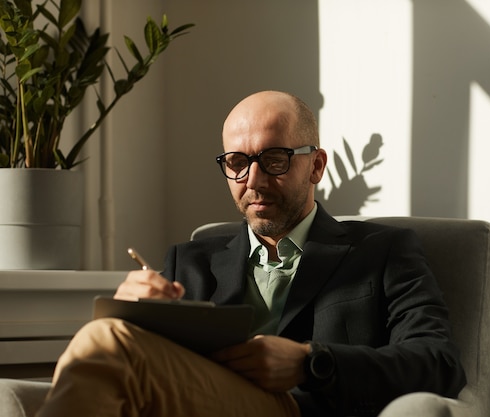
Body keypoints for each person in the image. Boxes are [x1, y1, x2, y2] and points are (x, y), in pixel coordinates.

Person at [36, 90, 466, 417]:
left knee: (102, 341)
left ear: (316, 165)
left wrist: (310, 363)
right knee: (106, 335)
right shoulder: (189, 261)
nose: (253, 180)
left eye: (274, 159)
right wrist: (130, 313)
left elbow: (440, 364)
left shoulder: (383, 250)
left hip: (306, 409)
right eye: (237, 161)